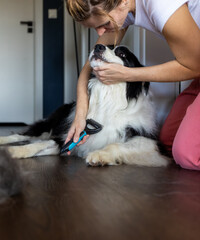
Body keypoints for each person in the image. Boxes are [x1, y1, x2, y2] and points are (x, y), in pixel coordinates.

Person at [65, 0, 200, 170]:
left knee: (186, 155)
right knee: (167, 143)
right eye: (95, 27)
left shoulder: (160, 4)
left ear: (123, 2)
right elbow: (87, 68)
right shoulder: (123, 8)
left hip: (197, 66)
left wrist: (128, 74)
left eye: (105, 24)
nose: (100, 32)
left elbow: (195, 65)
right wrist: (80, 115)